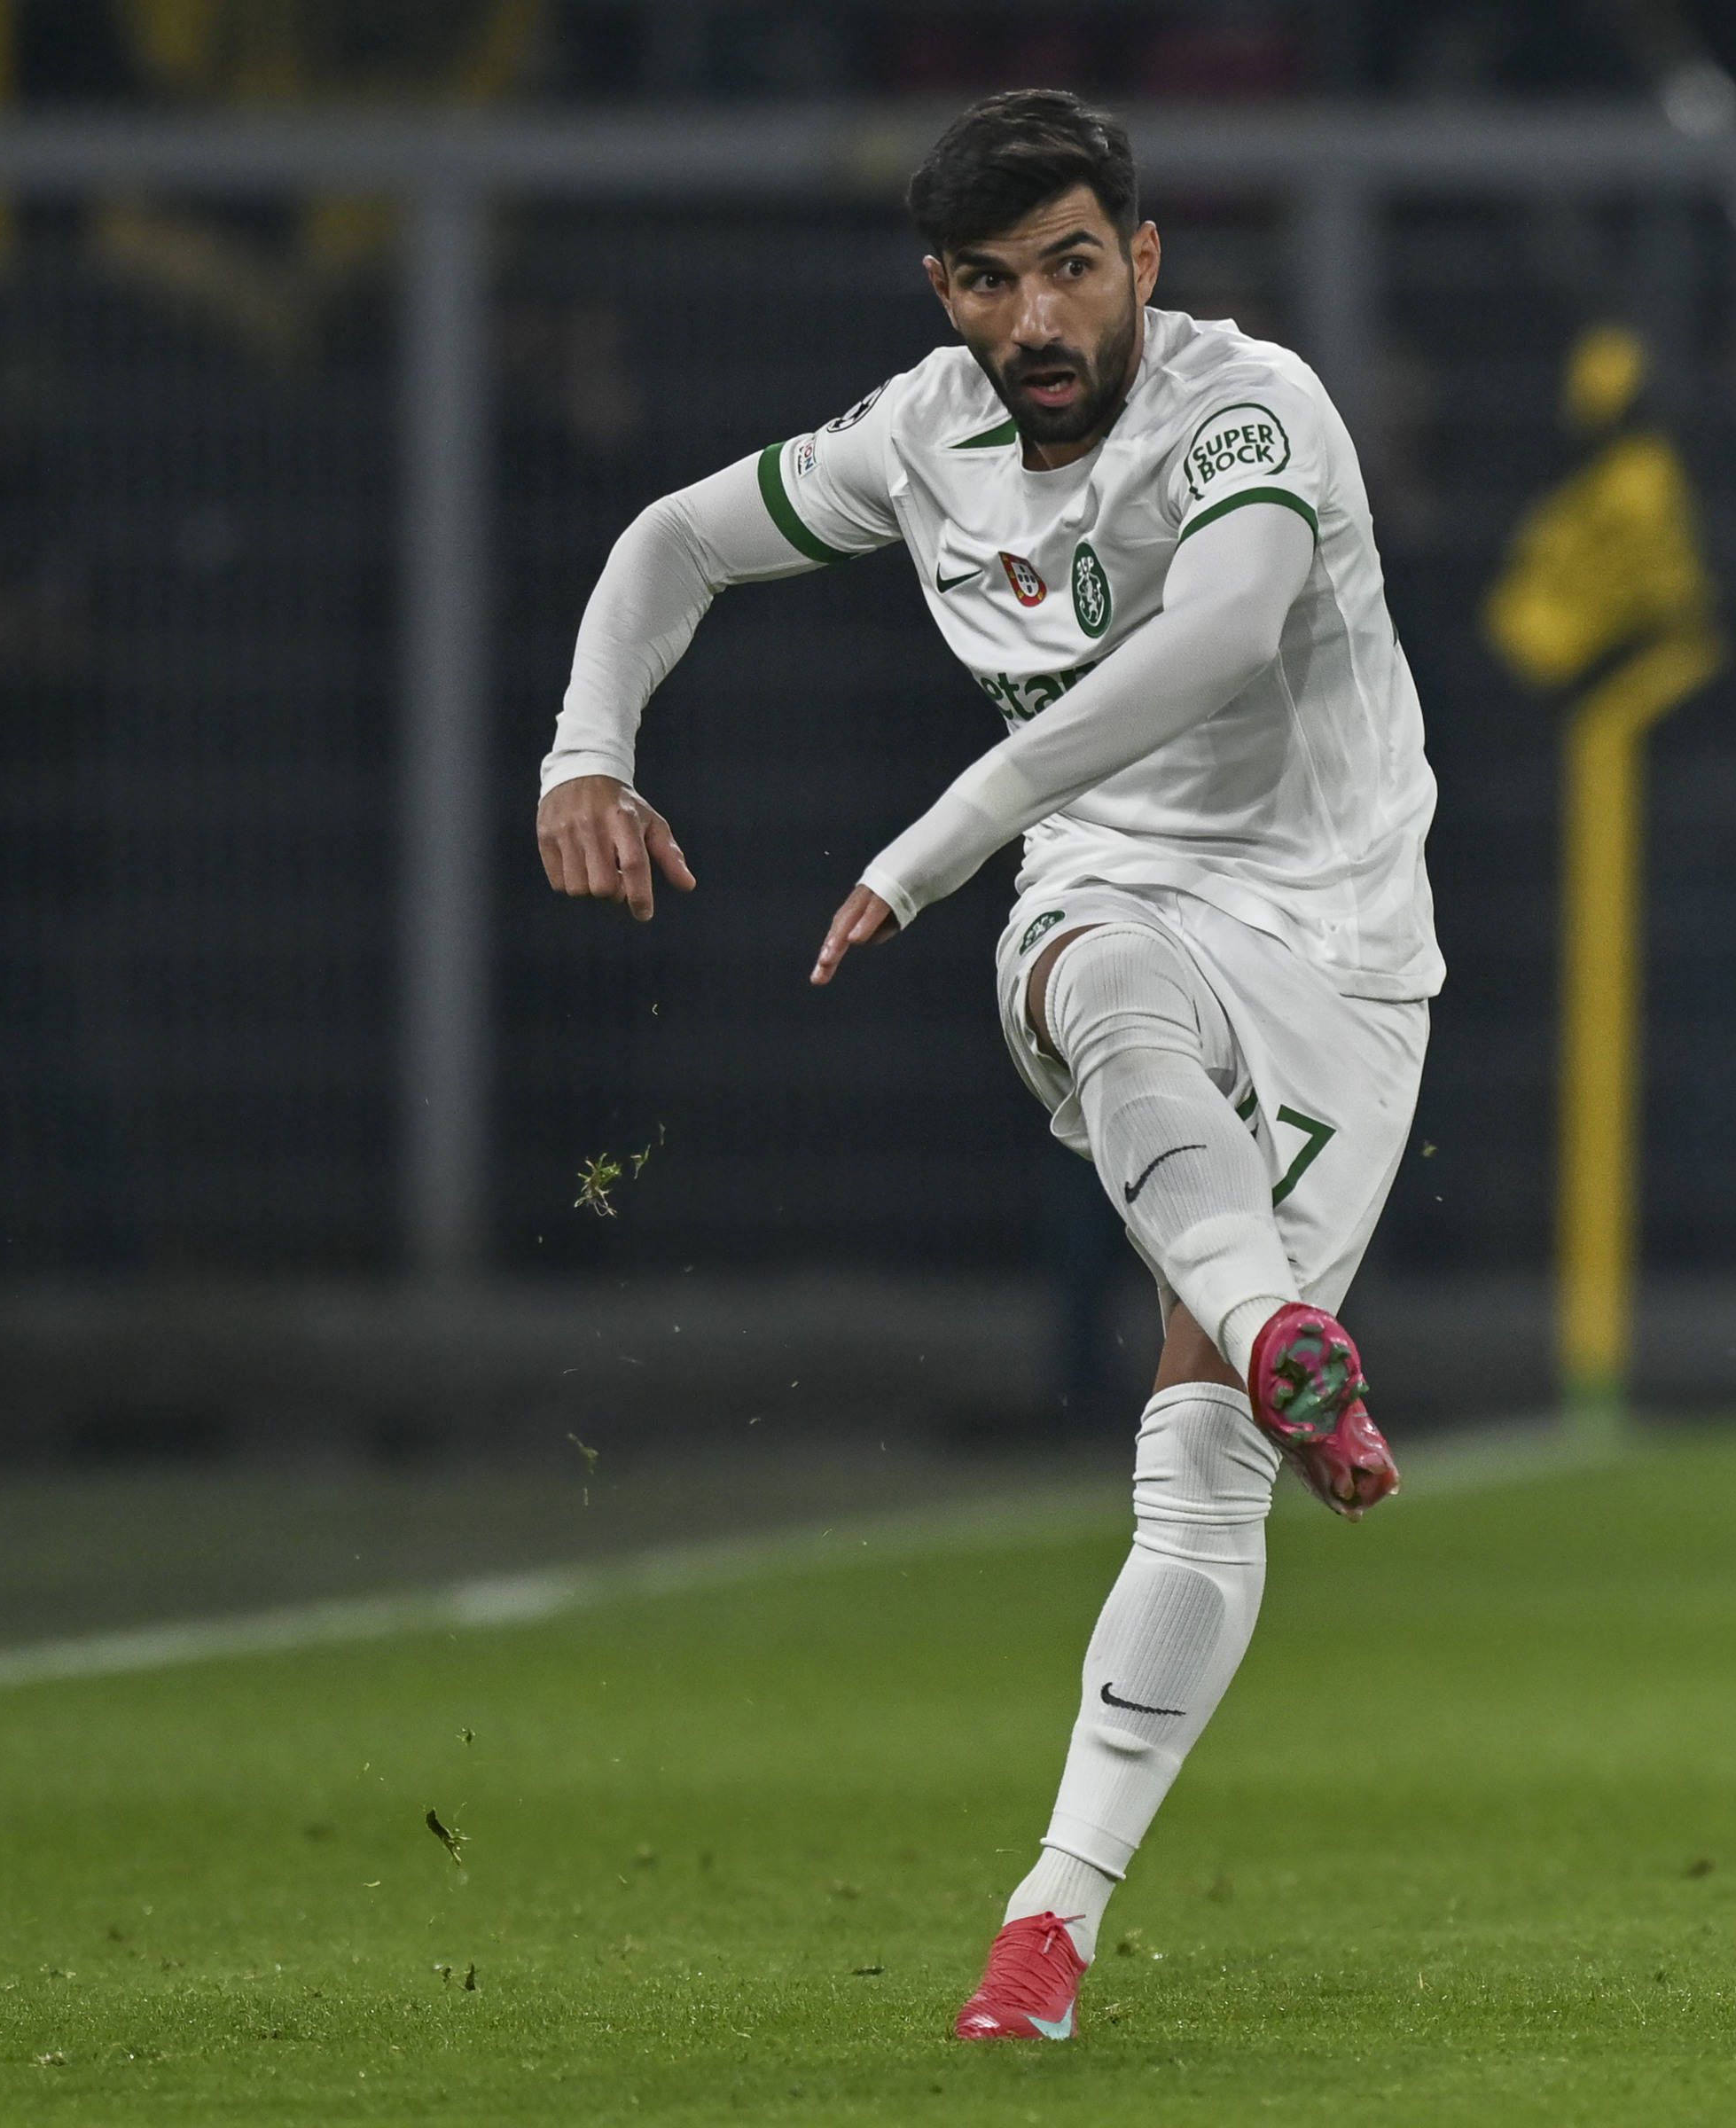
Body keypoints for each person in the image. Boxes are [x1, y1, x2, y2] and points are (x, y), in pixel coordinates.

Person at [531, 90, 1440, 2043]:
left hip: (1342, 956)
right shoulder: (917, 438)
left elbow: (1221, 638)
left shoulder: (1250, 409)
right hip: (1105, 887)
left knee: (1203, 1467)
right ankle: (1272, 1345)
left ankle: (1062, 1893)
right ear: (942, 290)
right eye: (989, 281)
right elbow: (673, 540)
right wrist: (585, 751)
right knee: (1100, 980)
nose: (1037, 319)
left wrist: (940, 835)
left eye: (1073, 268)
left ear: (1144, 261)